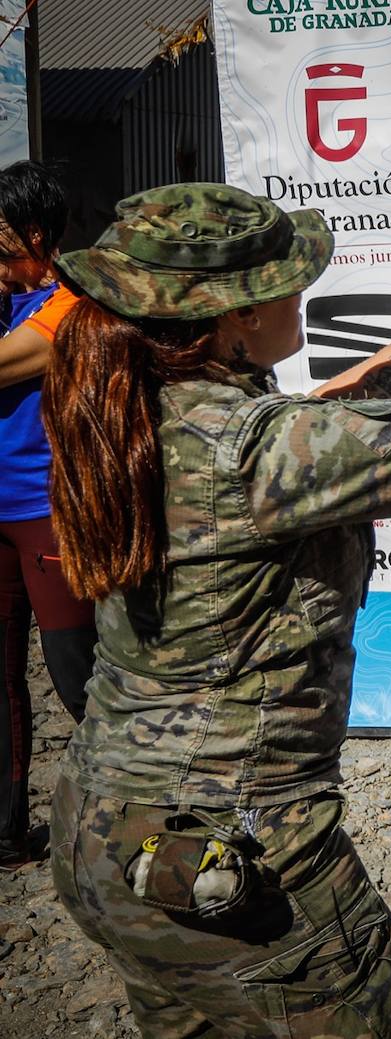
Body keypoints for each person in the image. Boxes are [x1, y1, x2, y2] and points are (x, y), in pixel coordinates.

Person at [41, 183, 391, 1038]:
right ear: (232, 317)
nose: (300, 290)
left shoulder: (135, 407)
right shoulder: (252, 450)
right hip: (226, 850)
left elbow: (306, 431)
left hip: (105, 836)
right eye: (283, 279)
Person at [0, 161, 97, 870]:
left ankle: (136, 818)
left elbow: (11, 363)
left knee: (78, 674)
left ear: (35, 235)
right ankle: (6, 833)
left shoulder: (74, 300)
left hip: (47, 509)